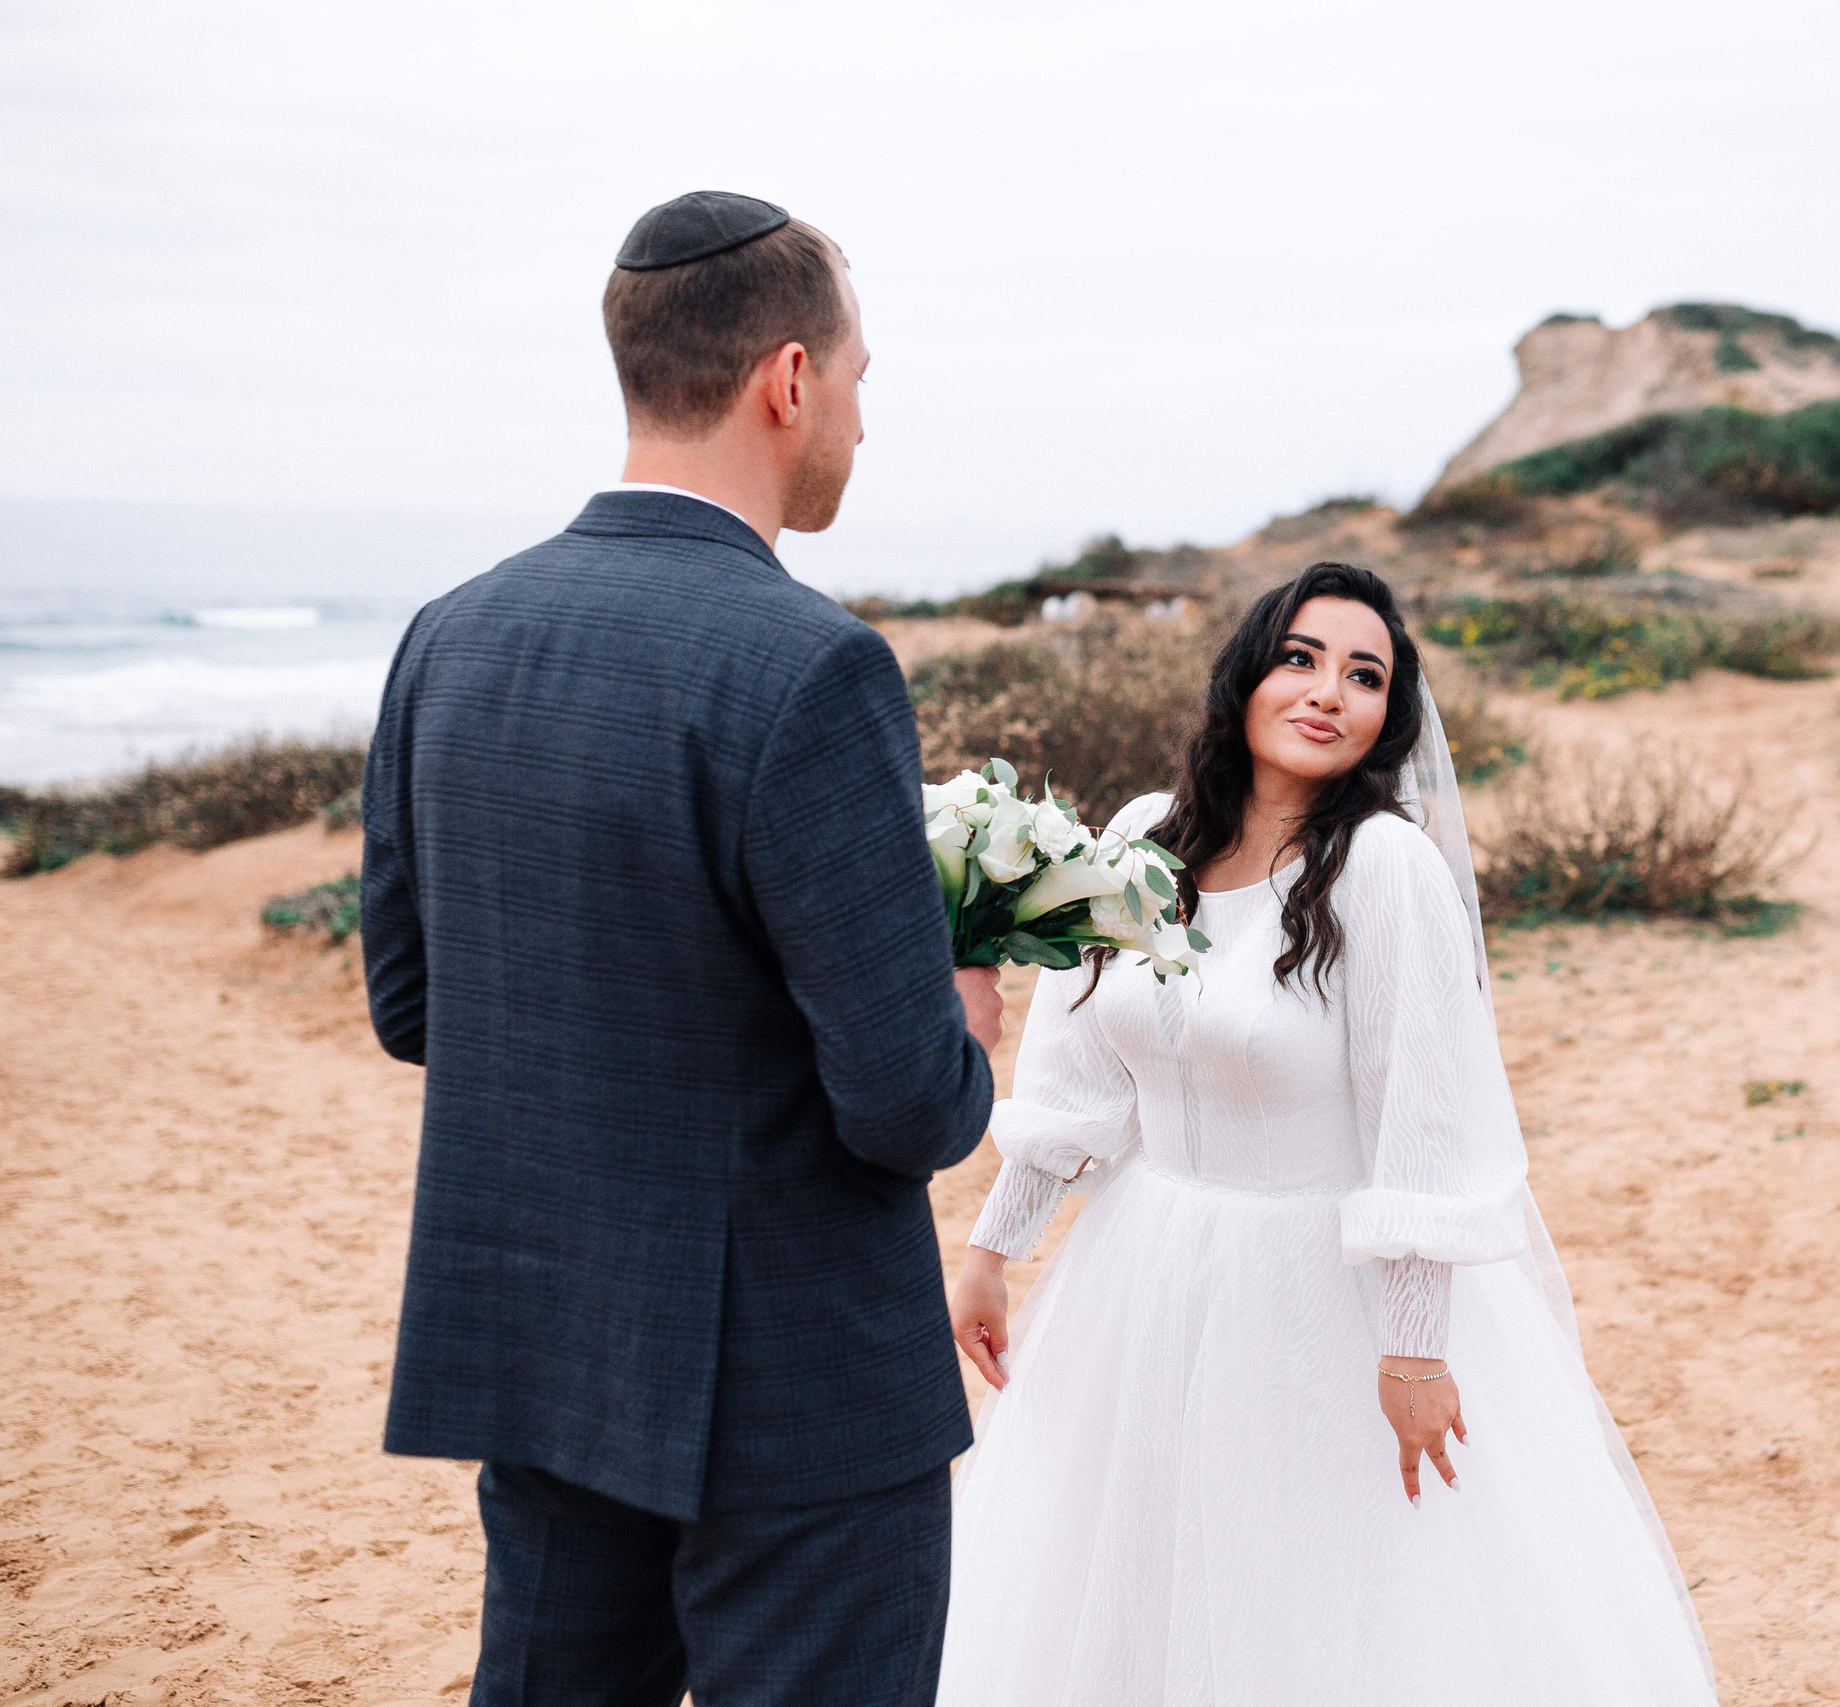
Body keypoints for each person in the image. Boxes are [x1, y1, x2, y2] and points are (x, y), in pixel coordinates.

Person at [361, 190, 1001, 1706]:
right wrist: (962, 1014)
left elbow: (408, 1004)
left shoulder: (448, 634)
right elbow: (905, 1104)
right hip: (800, 1395)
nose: (859, 415)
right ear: (788, 379)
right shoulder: (813, 664)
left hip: (544, 1340)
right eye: (857, 375)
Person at [942, 562, 1719, 1704]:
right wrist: (991, 1251)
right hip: (1147, 1271)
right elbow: (1079, 1077)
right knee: (1128, 1574)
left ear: (1386, 718)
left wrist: (1412, 1349)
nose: (1326, 692)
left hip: (1318, 1292)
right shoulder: (1146, 837)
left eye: (1364, 677)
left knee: (1319, 1595)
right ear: (1249, 675)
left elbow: (1425, 1123)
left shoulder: (1384, 869)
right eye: (1301, 659)